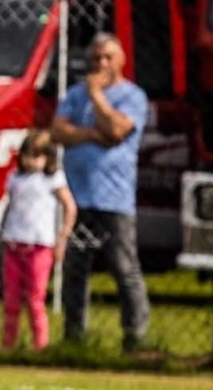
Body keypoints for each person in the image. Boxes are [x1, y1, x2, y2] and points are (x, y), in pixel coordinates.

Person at [50, 34, 151, 352]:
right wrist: (94, 133)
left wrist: (97, 95)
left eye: (108, 58)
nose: (101, 65)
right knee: (75, 269)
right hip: (78, 199)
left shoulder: (132, 96)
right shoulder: (74, 94)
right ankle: (74, 336)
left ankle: (134, 337)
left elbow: (119, 130)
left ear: (121, 60)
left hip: (114, 199)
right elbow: (57, 131)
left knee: (124, 267)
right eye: (95, 59)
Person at [0, 130, 76, 351]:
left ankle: (40, 346)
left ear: (47, 158)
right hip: (14, 243)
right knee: (11, 300)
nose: (31, 161)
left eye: (37, 156)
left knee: (35, 300)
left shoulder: (53, 179)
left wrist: (62, 238)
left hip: (40, 246)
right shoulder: (15, 178)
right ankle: (8, 344)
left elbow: (69, 207)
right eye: (27, 155)